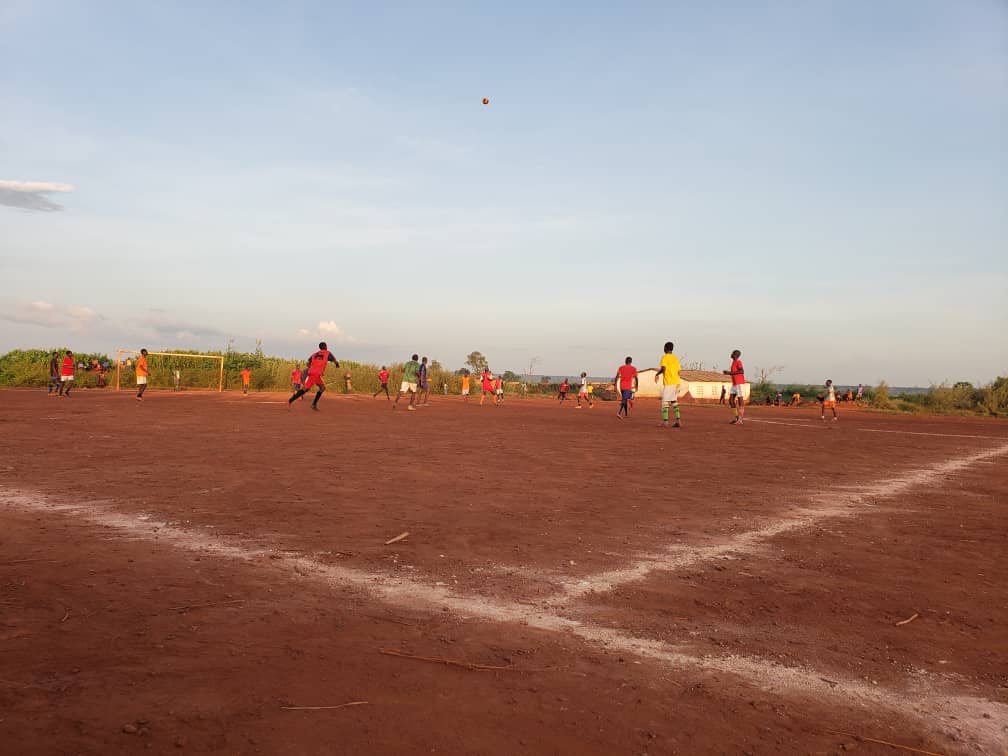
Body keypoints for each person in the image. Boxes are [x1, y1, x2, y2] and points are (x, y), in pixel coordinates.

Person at [288, 342, 339, 411]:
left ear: (320, 348)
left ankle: (314, 404)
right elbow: (334, 360)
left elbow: (308, 362)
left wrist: (312, 368)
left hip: (315, 374)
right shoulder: (327, 353)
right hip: (315, 374)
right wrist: (337, 365)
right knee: (305, 389)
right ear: (326, 346)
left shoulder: (315, 354)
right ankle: (291, 400)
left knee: (322, 388)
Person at [654, 342, 682, 428]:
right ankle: (678, 421)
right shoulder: (675, 358)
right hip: (677, 381)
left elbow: (664, 368)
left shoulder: (665, 357)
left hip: (669, 382)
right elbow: (678, 371)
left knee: (665, 402)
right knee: (674, 401)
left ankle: (665, 422)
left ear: (665, 348)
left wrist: (657, 374)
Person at [723, 349, 746, 425]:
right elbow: (734, 372)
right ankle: (736, 417)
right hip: (735, 384)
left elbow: (741, 371)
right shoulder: (733, 362)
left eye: (733, 353)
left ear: (736, 355)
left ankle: (740, 419)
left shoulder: (738, 362)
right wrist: (729, 373)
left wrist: (729, 372)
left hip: (739, 383)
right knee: (731, 400)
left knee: (740, 400)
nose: (731, 354)